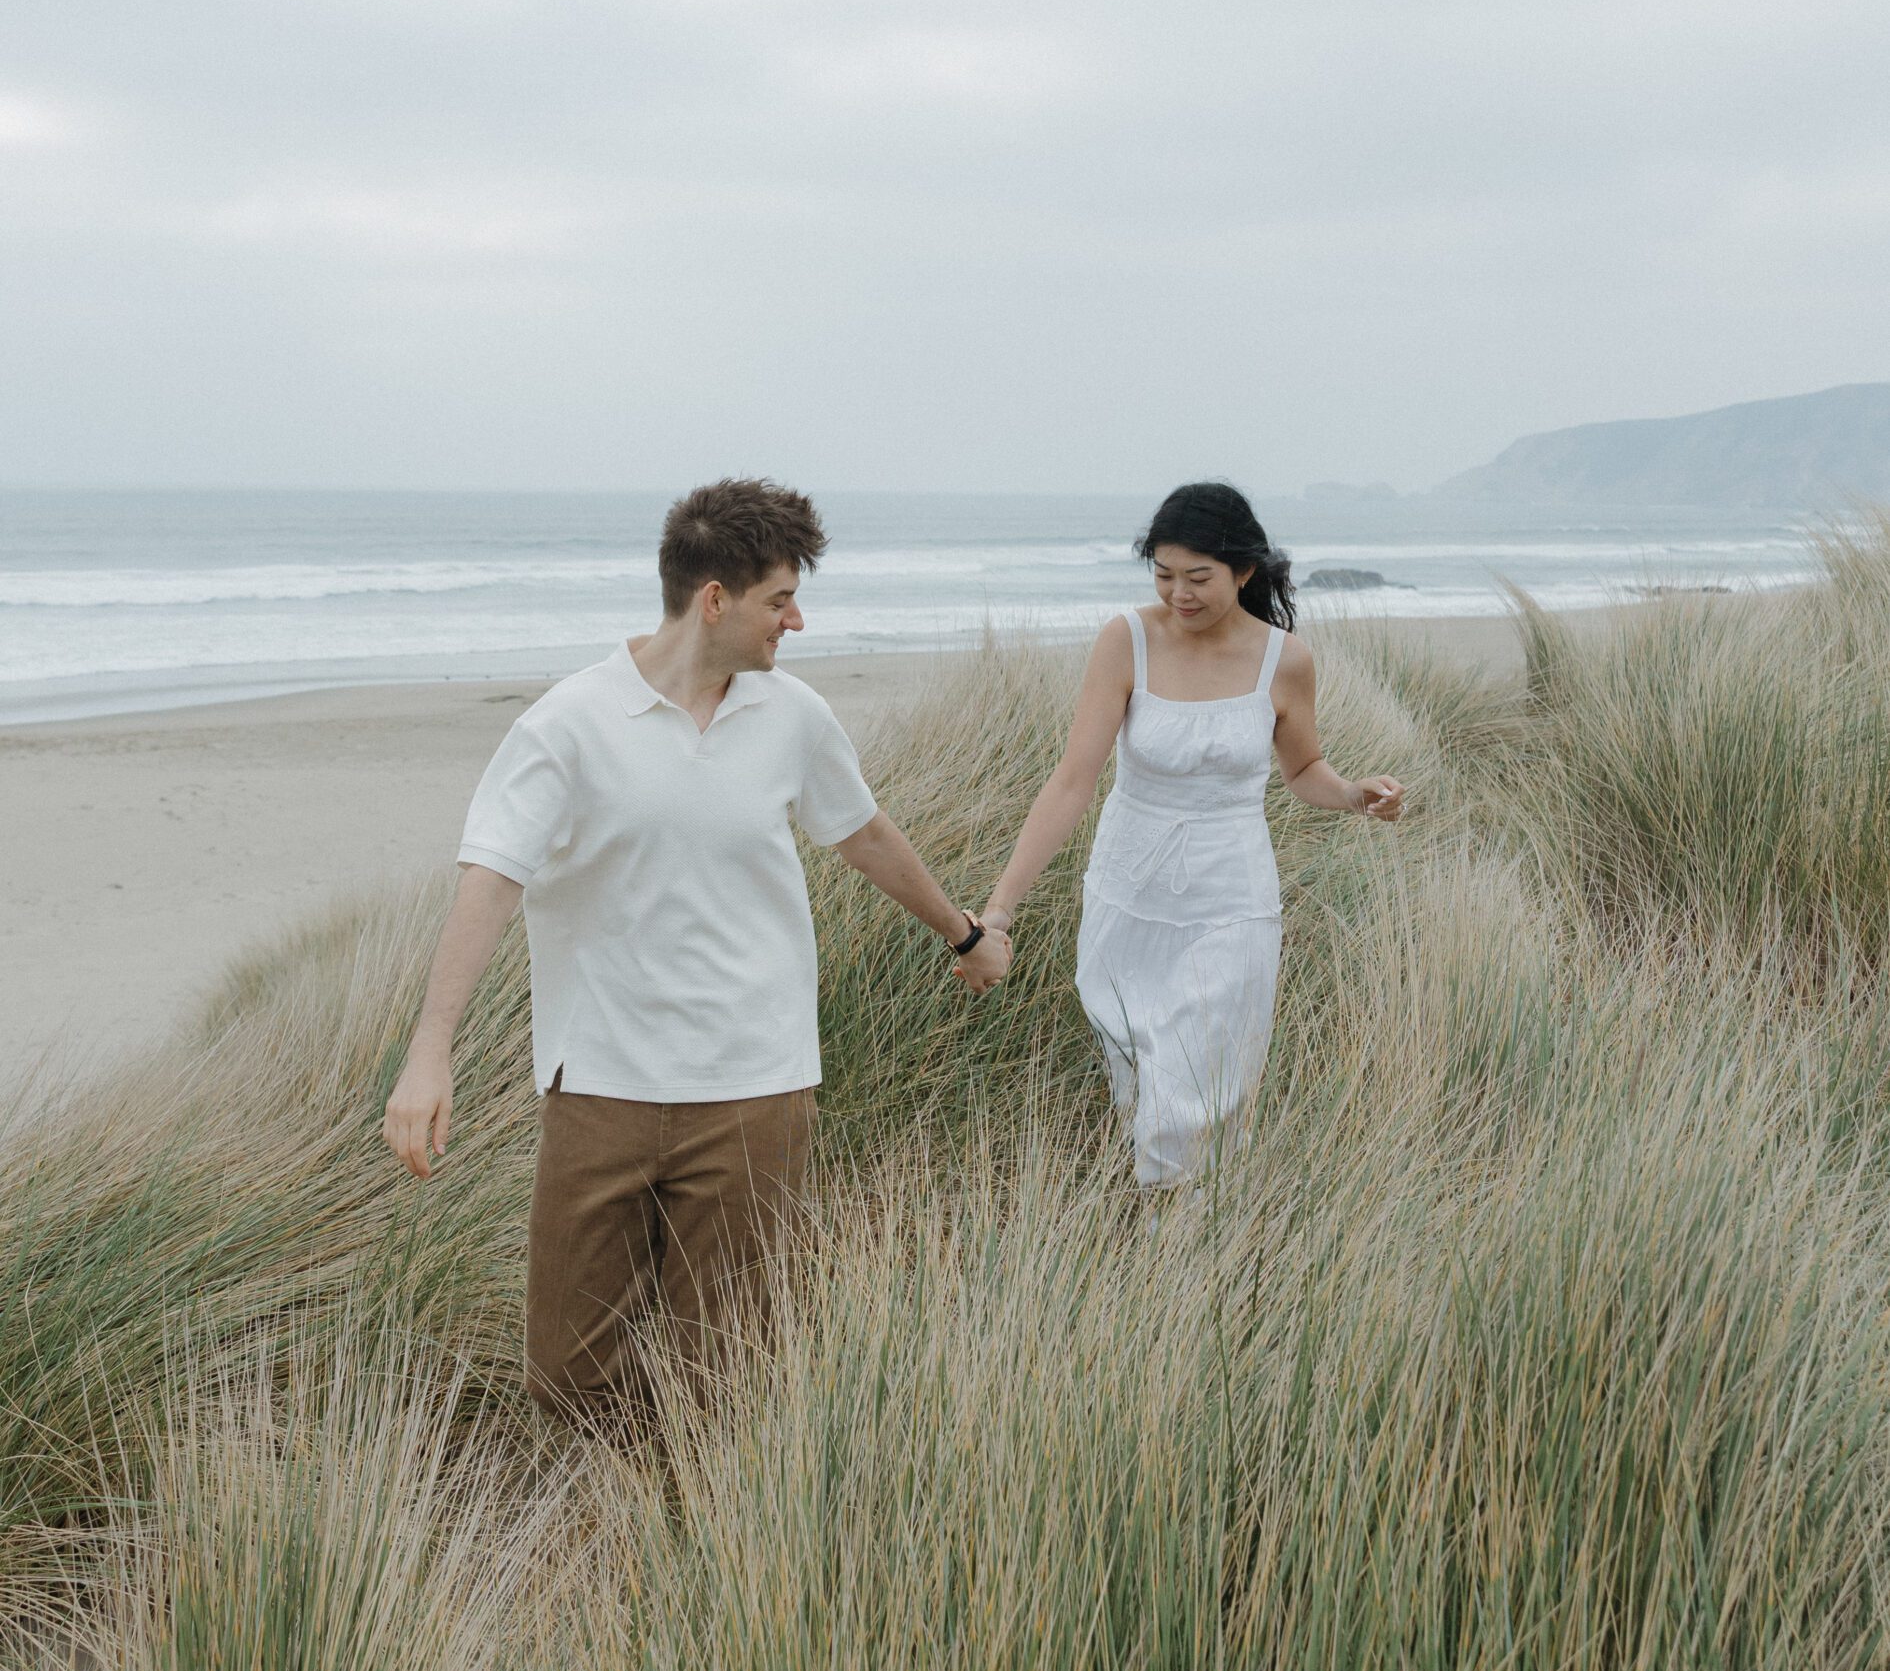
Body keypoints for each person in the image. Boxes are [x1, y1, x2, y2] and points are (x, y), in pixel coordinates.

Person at [382, 477, 1011, 1417]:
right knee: (568, 1372)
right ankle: (633, 1483)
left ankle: (687, 1505)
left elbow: (864, 834)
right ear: (714, 599)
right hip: (603, 1085)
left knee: (725, 1369)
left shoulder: (793, 714)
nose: (796, 621)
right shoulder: (566, 723)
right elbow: (492, 879)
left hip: (755, 1086)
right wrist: (429, 1051)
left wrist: (962, 932)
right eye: (780, 600)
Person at [979, 481, 1404, 1192]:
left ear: (1243, 571)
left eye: (1198, 577)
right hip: (1129, 892)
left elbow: (1303, 770)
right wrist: (1000, 909)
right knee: (1138, 1075)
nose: (1179, 593)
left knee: (1196, 1084)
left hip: (1230, 899)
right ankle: (1182, 1223)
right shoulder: (1127, 641)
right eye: (1164, 573)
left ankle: (1176, 1231)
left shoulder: (1285, 660)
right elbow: (1072, 781)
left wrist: (1357, 796)